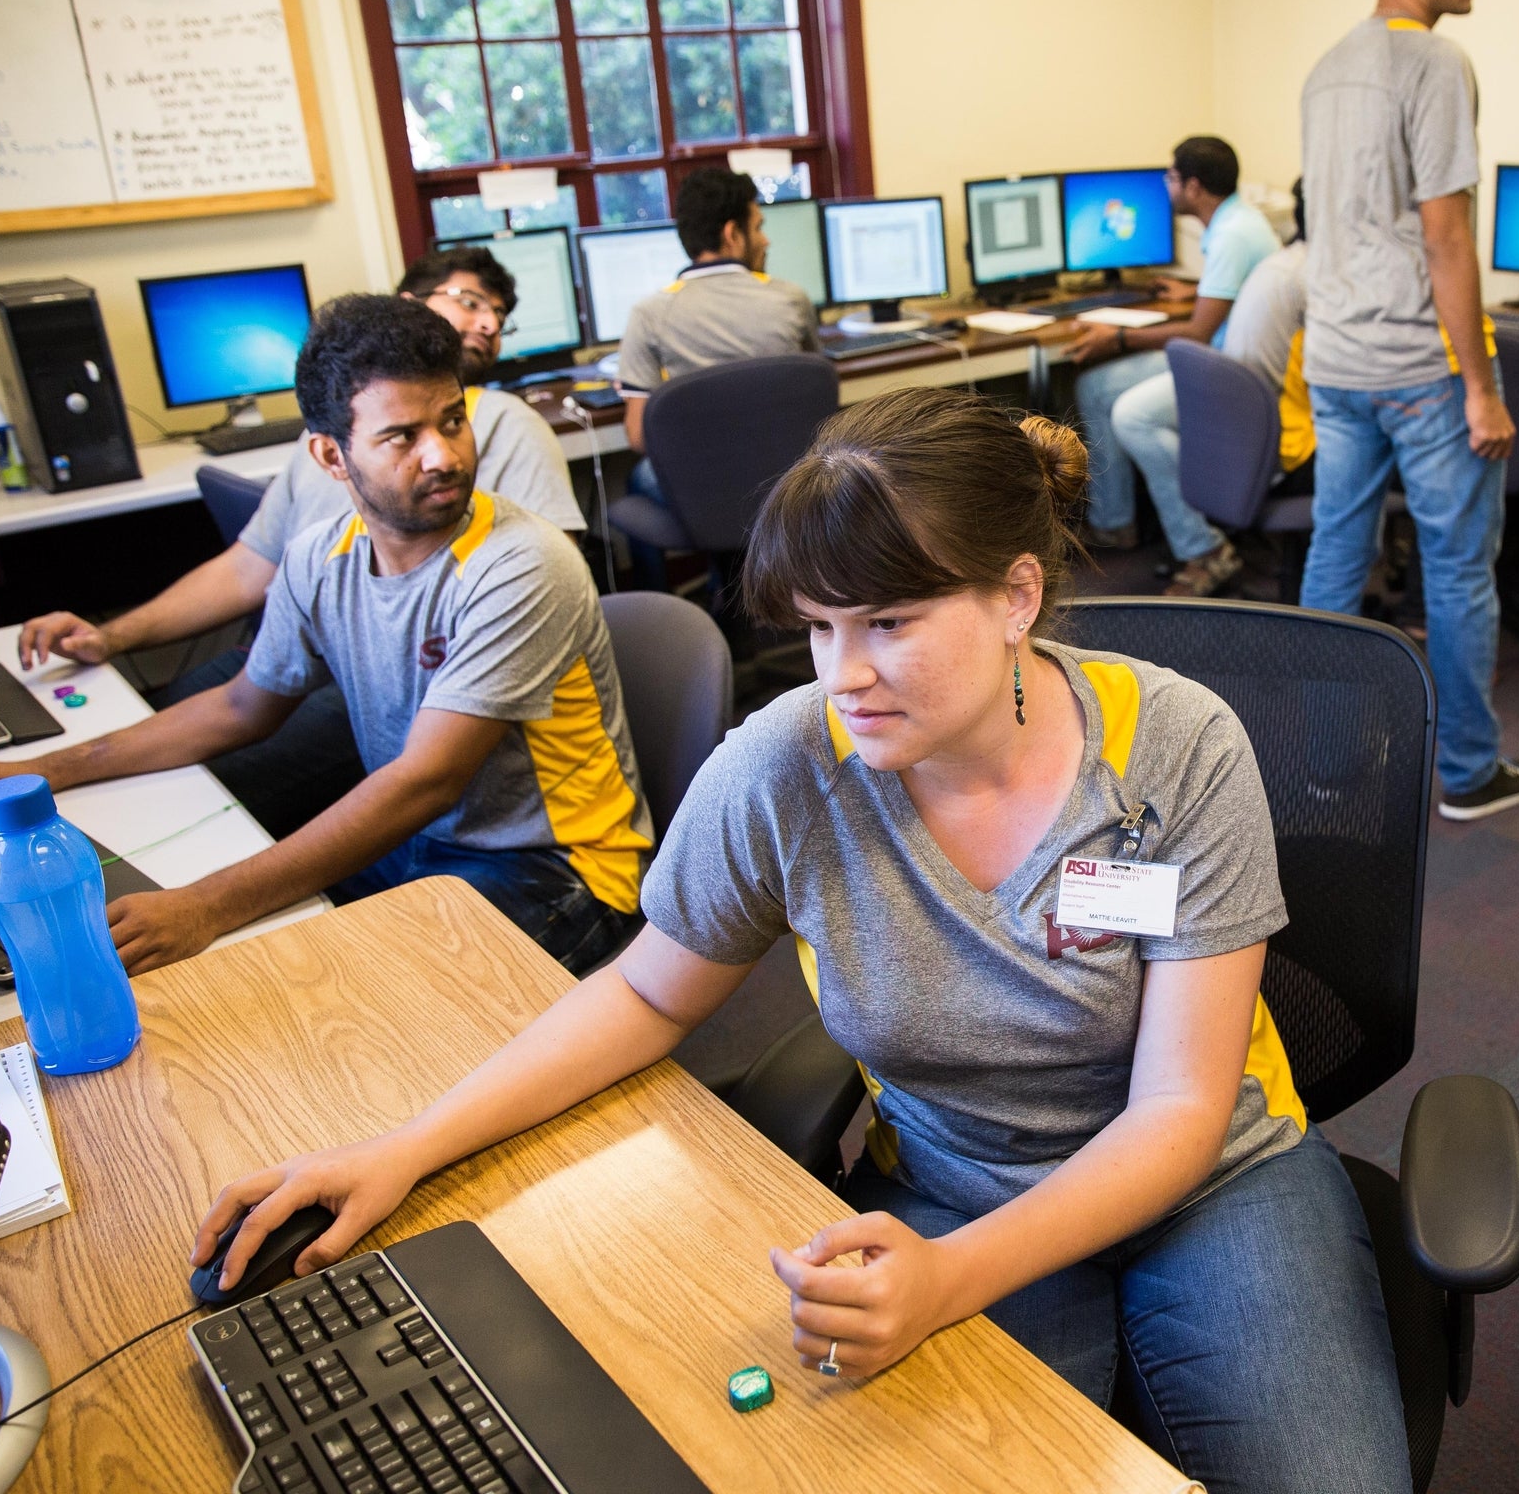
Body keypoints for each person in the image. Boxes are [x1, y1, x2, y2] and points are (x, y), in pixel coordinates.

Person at [185, 390, 1412, 1494]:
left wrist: (948, 1282)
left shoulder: (1179, 747)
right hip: (953, 1179)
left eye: (889, 621)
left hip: (1215, 1181)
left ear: (1017, 598)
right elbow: (649, 996)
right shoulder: (788, 766)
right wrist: (407, 1146)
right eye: (821, 628)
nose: (845, 675)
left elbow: (1179, 1112)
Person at [0, 296, 650, 978]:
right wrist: (49, 771)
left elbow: (424, 781)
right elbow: (240, 708)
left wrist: (209, 904)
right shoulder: (320, 555)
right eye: (402, 435)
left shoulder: (522, 564)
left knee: (315, 988)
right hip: (424, 846)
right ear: (331, 456)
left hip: (556, 868)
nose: (443, 456)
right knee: (251, 963)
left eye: (452, 421)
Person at [11, 247, 586, 839]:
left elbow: (537, 589)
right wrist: (109, 636)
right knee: (140, 747)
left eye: (497, 312)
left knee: (193, 809)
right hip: (294, 658)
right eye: (469, 301)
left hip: (419, 700)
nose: (487, 321)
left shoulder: (509, 435)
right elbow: (247, 570)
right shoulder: (332, 465)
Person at [1300, 0, 1519, 822]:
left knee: (1335, 559)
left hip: (1335, 360)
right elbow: (1446, 237)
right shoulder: (1436, 62)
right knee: (1455, 570)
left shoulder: (1325, 71)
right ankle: (1469, 773)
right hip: (1416, 368)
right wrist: (1481, 386)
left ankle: (1317, 764)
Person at [1071, 135, 1281, 595]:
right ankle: (1114, 522)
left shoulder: (1231, 235)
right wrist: (1195, 292)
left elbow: (1198, 333)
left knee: (1134, 415)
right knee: (1096, 386)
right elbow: (1224, 298)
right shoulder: (1236, 221)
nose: (1167, 185)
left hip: (1232, 374)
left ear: (1193, 186)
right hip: (1222, 357)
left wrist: (1119, 337)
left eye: (1171, 177)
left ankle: (1204, 548)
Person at [615, 168, 821, 586]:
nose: (766, 240)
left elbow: (638, 437)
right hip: (786, 477)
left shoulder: (649, 314)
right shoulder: (790, 299)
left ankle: (661, 617)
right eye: (758, 227)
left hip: (703, 489)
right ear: (732, 234)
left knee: (635, 479)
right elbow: (810, 382)